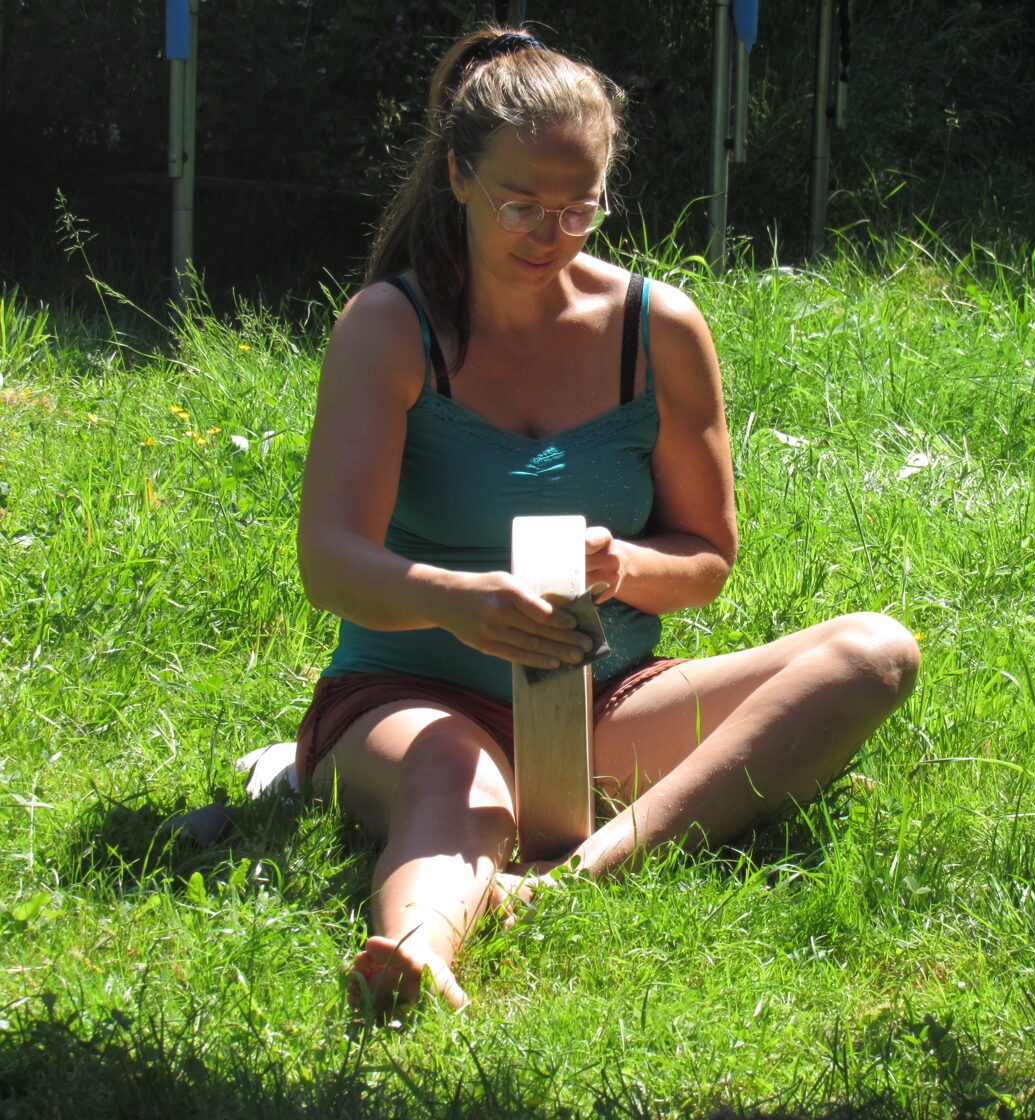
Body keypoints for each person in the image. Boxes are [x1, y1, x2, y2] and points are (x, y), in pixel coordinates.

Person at [295, 25, 920, 1013]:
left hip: (602, 700)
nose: (547, 235)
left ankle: (576, 874)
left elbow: (706, 558)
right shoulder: (389, 325)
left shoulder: (657, 327)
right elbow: (329, 561)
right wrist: (456, 600)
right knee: (458, 774)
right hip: (409, 695)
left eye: (577, 208)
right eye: (518, 205)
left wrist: (619, 564)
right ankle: (414, 952)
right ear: (457, 176)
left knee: (875, 652)